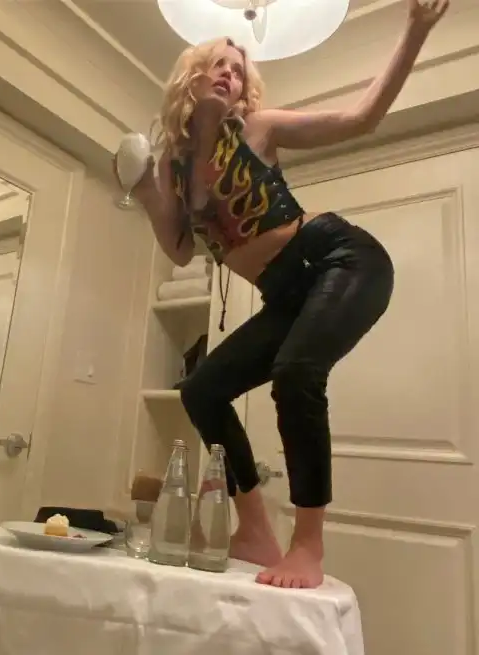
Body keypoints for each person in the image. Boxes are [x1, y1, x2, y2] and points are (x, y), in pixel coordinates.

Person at [114, 0, 449, 588]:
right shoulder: (176, 165)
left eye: (238, 68)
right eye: (218, 64)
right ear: (192, 76)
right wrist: (146, 190)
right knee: (202, 390)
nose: (229, 72)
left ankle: (307, 546)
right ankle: (253, 529)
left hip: (339, 259)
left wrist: (415, 32)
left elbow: (363, 118)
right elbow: (181, 248)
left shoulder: (258, 129)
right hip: (285, 293)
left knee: (297, 373)